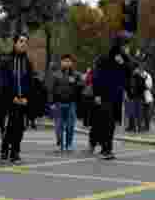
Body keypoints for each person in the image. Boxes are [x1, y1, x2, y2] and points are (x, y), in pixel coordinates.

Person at [91, 33, 132, 161]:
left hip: (116, 95)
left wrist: (124, 64)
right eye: (125, 45)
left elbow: (129, 73)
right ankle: (105, 149)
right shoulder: (105, 58)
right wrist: (97, 93)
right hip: (104, 95)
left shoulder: (125, 59)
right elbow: (97, 76)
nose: (127, 48)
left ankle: (106, 148)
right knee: (106, 122)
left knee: (111, 123)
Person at [0, 33, 37, 164]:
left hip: (23, 101)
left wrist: (27, 98)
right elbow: (3, 82)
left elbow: (31, 83)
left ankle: (15, 152)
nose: (23, 44)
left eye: (25, 42)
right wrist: (11, 97)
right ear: (15, 43)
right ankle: (4, 151)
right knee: (10, 126)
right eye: (21, 41)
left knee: (20, 128)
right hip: (10, 100)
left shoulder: (28, 63)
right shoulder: (6, 61)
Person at [49, 53, 82, 153]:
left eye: (69, 61)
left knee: (70, 125)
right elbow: (52, 89)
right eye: (65, 61)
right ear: (61, 62)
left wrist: (78, 83)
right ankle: (60, 144)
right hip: (58, 103)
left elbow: (80, 88)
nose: (67, 63)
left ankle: (69, 144)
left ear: (72, 63)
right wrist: (52, 103)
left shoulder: (76, 75)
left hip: (71, 103)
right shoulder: (56, 75)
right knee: (58, 126)